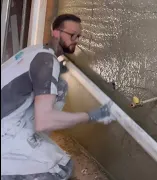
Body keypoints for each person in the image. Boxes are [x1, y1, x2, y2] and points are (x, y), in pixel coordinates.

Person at [1, 14, 115, 180]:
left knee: (60, 87)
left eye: (78, 36)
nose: (76, 40)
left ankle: (29, 145)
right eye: (72, 35)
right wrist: (91, 116)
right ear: (56, 33)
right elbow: (44, 123)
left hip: (7, 115)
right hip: (5, 134)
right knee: (62, 168)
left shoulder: (36, 50)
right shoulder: (47, 61)